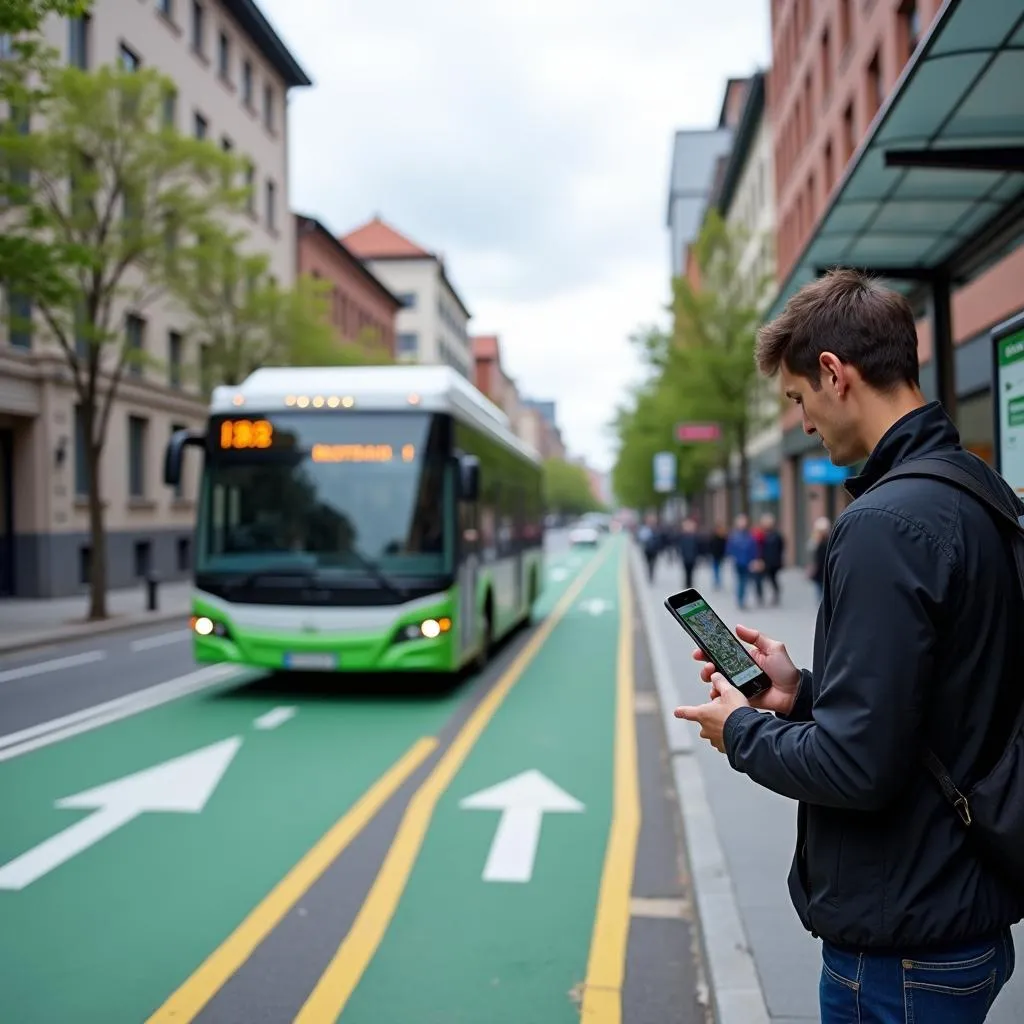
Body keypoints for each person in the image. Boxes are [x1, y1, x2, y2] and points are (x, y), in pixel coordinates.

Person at [674, 269, 1022, 1022]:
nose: (802, 423)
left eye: (798, 397)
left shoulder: (882, 527)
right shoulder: (979, 492)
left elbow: (857, 767)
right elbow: (942, 699)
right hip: (966, 907)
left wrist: (740, 730)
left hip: (903, 940)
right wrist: (799, 695)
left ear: (834, 373)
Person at [725, 514, 758, 610]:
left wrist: (754, 560)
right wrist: (732, 557)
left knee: (745, 581)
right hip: (738, 562)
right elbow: (729, 548)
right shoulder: (734, 535)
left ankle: (742, 599)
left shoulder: (749, 535)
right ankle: (740, 599)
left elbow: (753, 549)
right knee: (740, 581)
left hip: (747, 562)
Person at [757, 513, 785, 605]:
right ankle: (760, 596)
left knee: (773, 579)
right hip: (763, 561)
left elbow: (781, 548)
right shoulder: (761, 535)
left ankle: (776, 594)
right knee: (759, 579)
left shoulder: (777, 535)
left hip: (774, 562)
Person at [677, 517, 700, 590]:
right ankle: (687, 584)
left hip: (693, 557)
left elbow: (698, 547)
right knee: (686, 572)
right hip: (685, 557)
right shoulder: (682, 536)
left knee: (691, 572)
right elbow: (680, 547)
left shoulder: (695, 536)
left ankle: (690, 584)